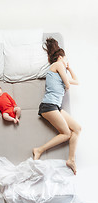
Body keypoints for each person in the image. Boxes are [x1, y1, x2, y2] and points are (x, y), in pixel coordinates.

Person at [32, 38, 81, 175]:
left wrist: (69, 67)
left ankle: (71, 159)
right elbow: (68, 84)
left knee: (77, 129)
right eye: (66, 60)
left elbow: (76, 81)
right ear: (60, 57)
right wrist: (66, 80)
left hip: (55, 107)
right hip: (48, 106)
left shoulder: (62, 70)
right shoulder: (56, 65)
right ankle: (39, 150)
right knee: (66, 134)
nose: (66, 63)